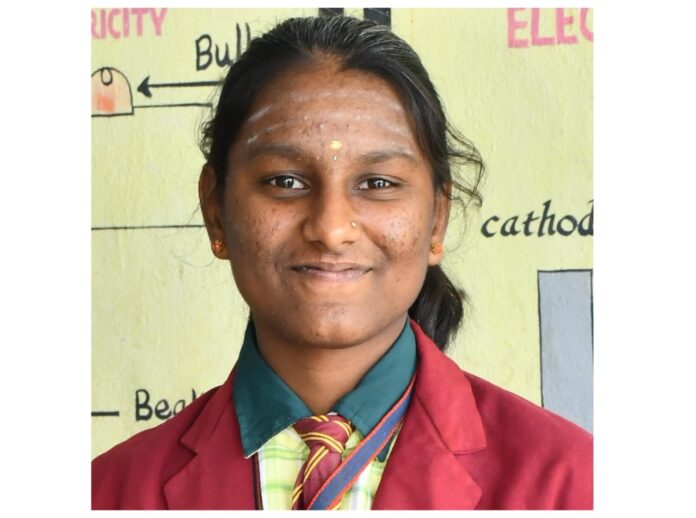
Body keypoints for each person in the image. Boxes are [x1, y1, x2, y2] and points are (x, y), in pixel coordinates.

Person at [91, 15, 592, 510]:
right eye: (285, 181)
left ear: (437, 218)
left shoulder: (572, 483)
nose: (331, 229)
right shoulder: (108, 492)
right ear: (216, 212)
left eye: (378, 183)